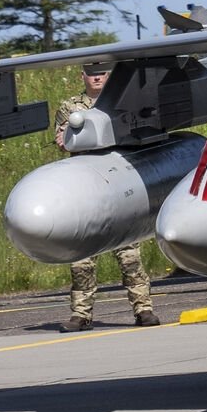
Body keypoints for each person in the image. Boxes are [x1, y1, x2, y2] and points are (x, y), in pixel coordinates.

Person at [55, 60, 159, 332]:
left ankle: (143, 309)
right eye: (91, 75)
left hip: (116, 182)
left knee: (130, 256)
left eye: (101, 74)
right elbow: (62, 139)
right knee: (81, 259)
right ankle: (81, 314)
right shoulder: (71, 107)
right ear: (83, 77)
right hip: (86, 187)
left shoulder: (123, 104)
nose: (96, 79)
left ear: (109, 76)